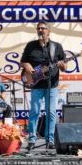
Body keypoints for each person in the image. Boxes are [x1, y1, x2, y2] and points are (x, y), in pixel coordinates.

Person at [21, 21, 66, 150]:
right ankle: (32, 140)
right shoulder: (31, 46)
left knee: (51, 112)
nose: (40, 30)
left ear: (48, 31)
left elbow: (64, 67)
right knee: (34, 111)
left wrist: (63, 65)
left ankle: (50, 140)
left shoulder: (56, 47)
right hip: (36, 84)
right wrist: (26, 65)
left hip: (52, 84)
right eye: (38, 28)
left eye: (43, 28)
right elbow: (23, 62)